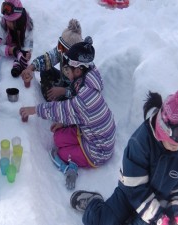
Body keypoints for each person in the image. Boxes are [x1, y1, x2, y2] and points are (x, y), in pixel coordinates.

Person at [70, 90, 178, 225]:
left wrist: (175, 214)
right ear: (162, 131)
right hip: (129, 193)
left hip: (157, 200)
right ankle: (94, 204)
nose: (177, 147)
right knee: (104, 221)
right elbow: (134, 188)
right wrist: (158, 217)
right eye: (172, 144)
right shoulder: (140, 142)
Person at [19, 39, 116, 190]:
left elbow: (60, 109)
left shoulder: (85, 96)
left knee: (60, 152)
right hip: (93, 133)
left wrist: (33, 110)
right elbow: (79, 114)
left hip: (98, 151)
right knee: (58, 137)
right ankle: (75, 152)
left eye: (67, 70)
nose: (65, 72)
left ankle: (70, 168)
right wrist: (64, 123)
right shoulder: (88, 78)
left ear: (78, 71)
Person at [21, 18, 83, 101]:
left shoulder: (80, 66)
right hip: (63, 81)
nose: (60, 51)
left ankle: (57, 103)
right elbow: (48, 58)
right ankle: (53, 97)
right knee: (45, 69)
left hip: (71, 93)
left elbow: (81, 92)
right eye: (59, 45)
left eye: (64, 49)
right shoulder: (61, 51)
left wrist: (63, 91)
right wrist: (30, 68)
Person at [0, 0, 33, 77]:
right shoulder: (3, 25)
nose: (7, 22)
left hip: (20, 54)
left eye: (10, 20)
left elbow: (29, 41)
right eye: (6, 19)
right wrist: (11, 50)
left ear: (18, 20)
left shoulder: (27, 24)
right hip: (7, 56)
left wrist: (27, 52)